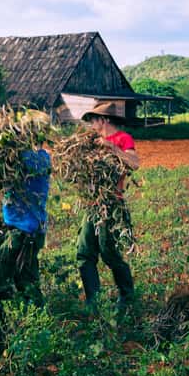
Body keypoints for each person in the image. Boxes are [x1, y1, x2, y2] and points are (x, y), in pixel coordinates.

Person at [77, 102, 140, 309]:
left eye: (93, 120)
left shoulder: (123, 139)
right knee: (84, 253)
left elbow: (134, 163)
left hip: (111, 204)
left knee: (109, 253)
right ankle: (94, 301)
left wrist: (112, 148)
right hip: (91, 204)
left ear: (103, 120)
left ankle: (127, 297)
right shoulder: (93, 143)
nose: (91, 125)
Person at [0, 141, 51, 306]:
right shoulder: (42, 157)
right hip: (28, 228)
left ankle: (18, 318)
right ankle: (28, 317)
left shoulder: (24, 159)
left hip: (24, 231)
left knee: (1, 273)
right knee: (24, 277)